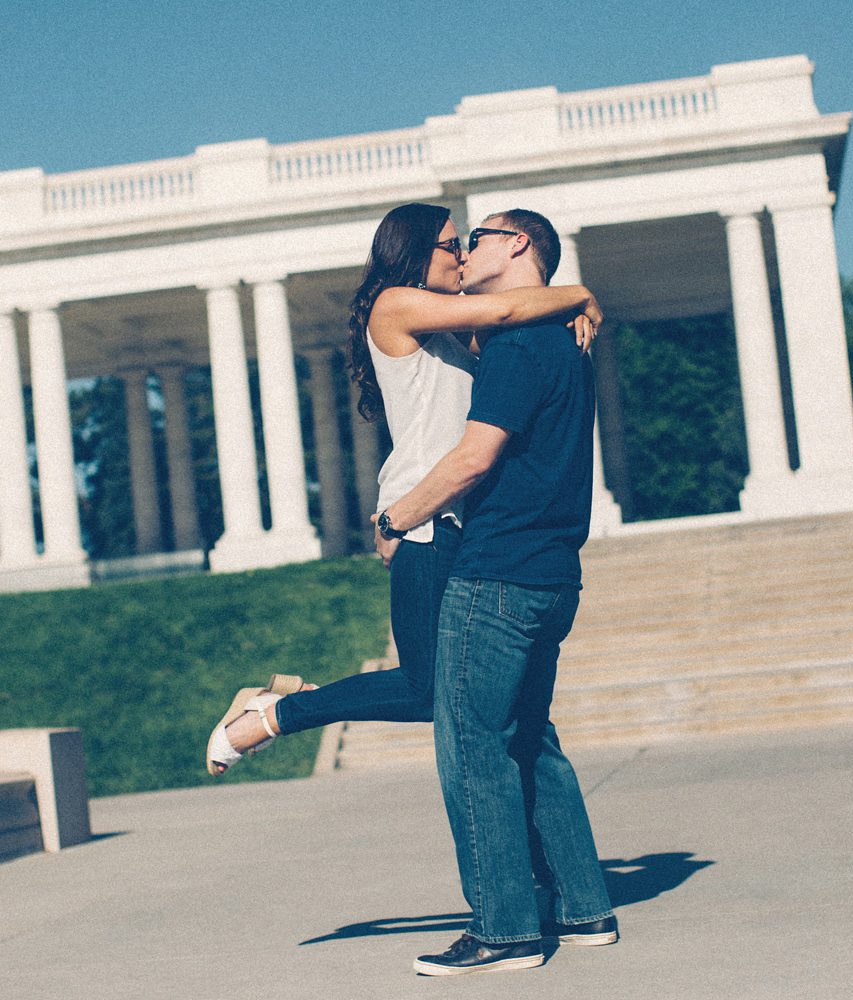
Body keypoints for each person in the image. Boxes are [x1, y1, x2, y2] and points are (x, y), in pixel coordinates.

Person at [205, 202, 601, 776]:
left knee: (464, 694)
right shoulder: (396, 304)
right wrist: (582, 293)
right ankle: (272, 715)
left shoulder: (454, 324)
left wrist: (569, 304)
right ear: (415, 251)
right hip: (421, 516)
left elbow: (513, 318)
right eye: (451, 244)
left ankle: (285, 705)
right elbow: (512, 305)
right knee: (426, 690)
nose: (462, 254)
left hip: (464, 520)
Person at [375, 209, 616, 976]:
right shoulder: (565, 340)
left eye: (477, 236)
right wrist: (579, 297)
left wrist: (395, 516)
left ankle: (505, 928)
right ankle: (585, 910)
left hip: (497, 571)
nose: (465, 247)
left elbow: (474, 459)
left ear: (516, 245)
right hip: (554, 573)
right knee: (531, 741)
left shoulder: (516, 343)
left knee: (471, 746)